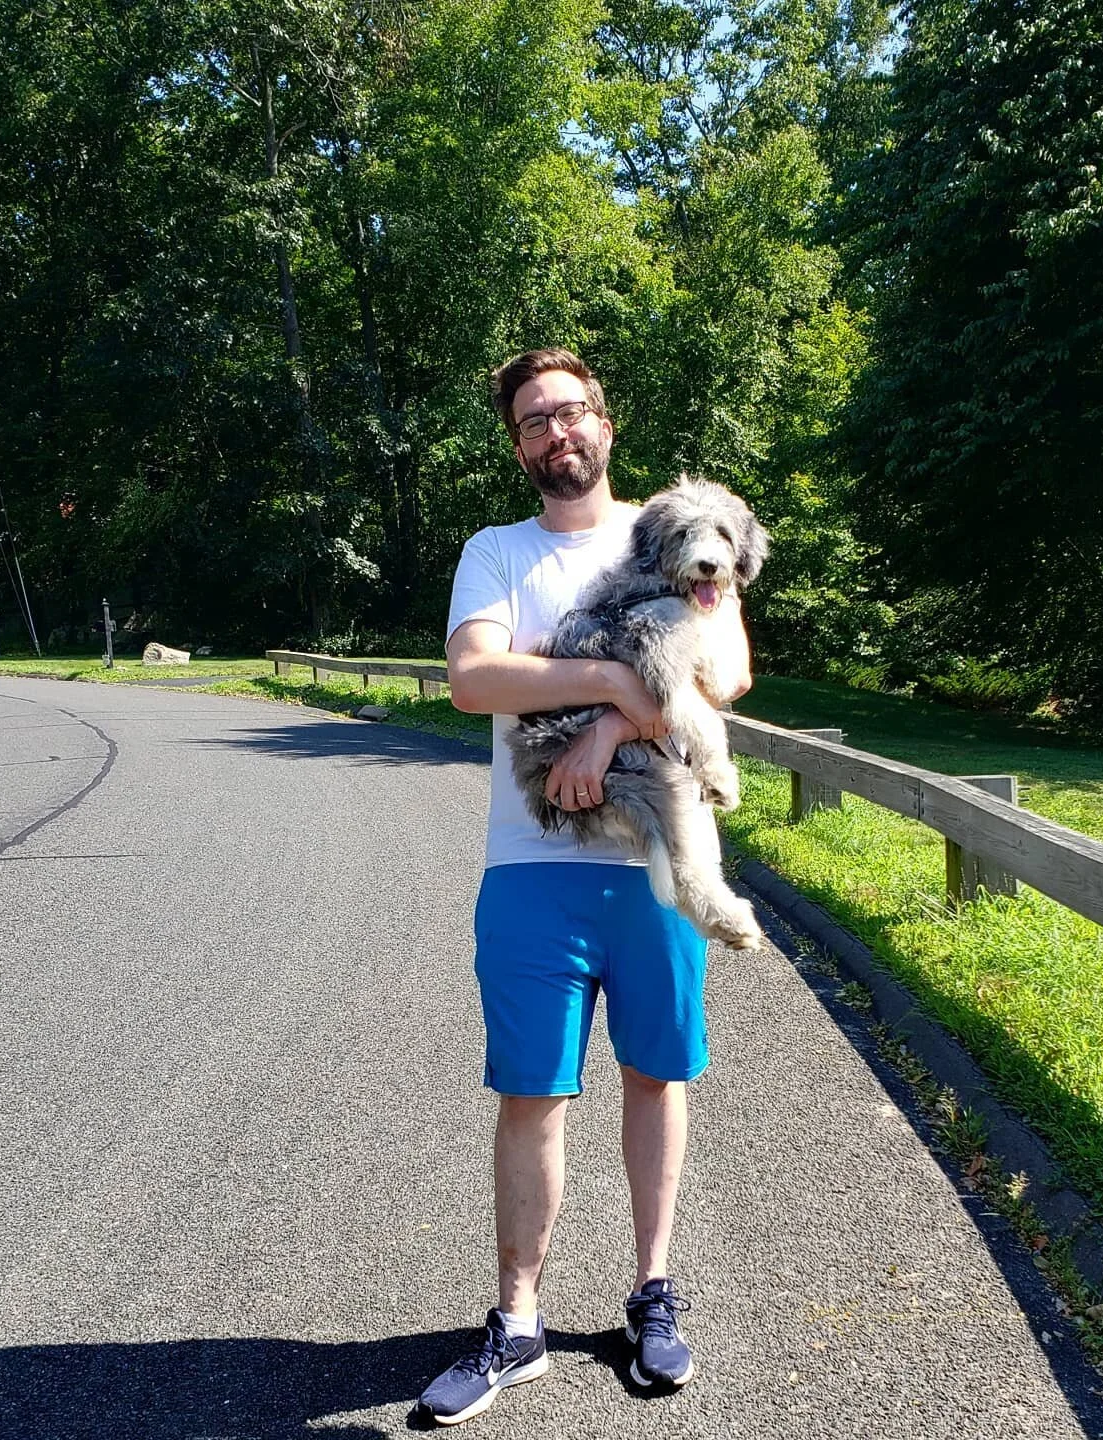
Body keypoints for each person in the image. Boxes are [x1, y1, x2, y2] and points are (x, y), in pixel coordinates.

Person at [418, 348, 753, 1426]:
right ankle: (516, 1322)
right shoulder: (497, 552)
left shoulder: (675, 529)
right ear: (518, 446)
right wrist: (615, 676)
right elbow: (477, 677)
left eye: (569, 411)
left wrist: (606, 723)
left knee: (658, 1075)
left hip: (653, 867)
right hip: (531, 867)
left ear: (603, 421)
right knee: (534, 1093)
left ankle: (653, 1294)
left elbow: (727, 666)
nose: (555, 433)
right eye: (532, 421)